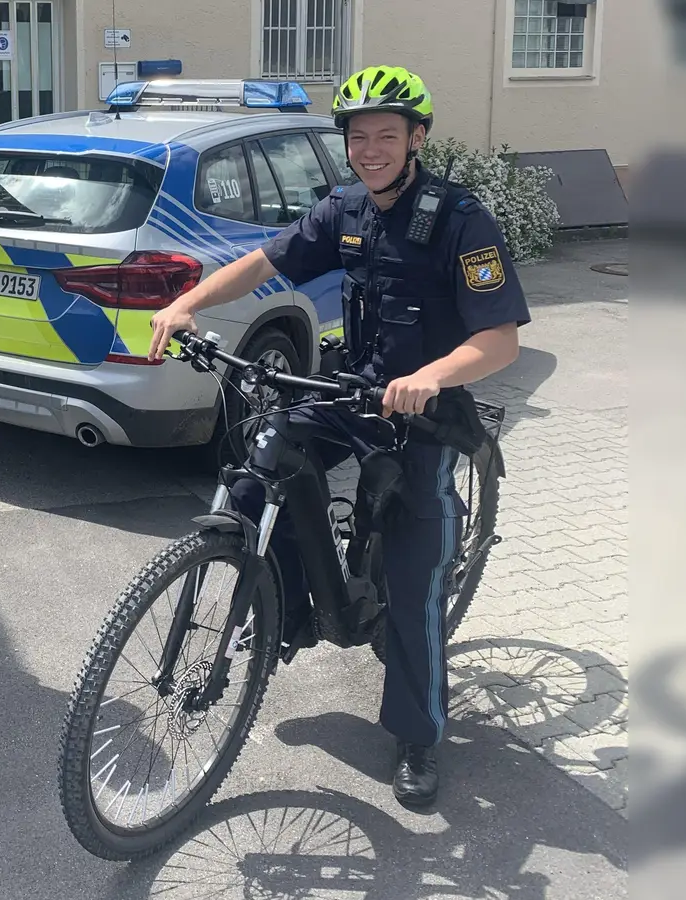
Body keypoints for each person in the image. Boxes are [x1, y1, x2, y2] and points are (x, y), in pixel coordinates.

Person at [147, 65, 531, 809]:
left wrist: (432, 377)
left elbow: (501, 340)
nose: (371, 149)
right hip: (351, 392)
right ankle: (289, 609)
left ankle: (418, 733)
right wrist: (187, 302)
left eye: (387, 135)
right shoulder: (344, 208)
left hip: (423, 411)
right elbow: (265, 261)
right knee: (263, 464)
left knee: (416, 573)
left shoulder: (460, 219)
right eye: (359, 137)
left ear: (417, 139)